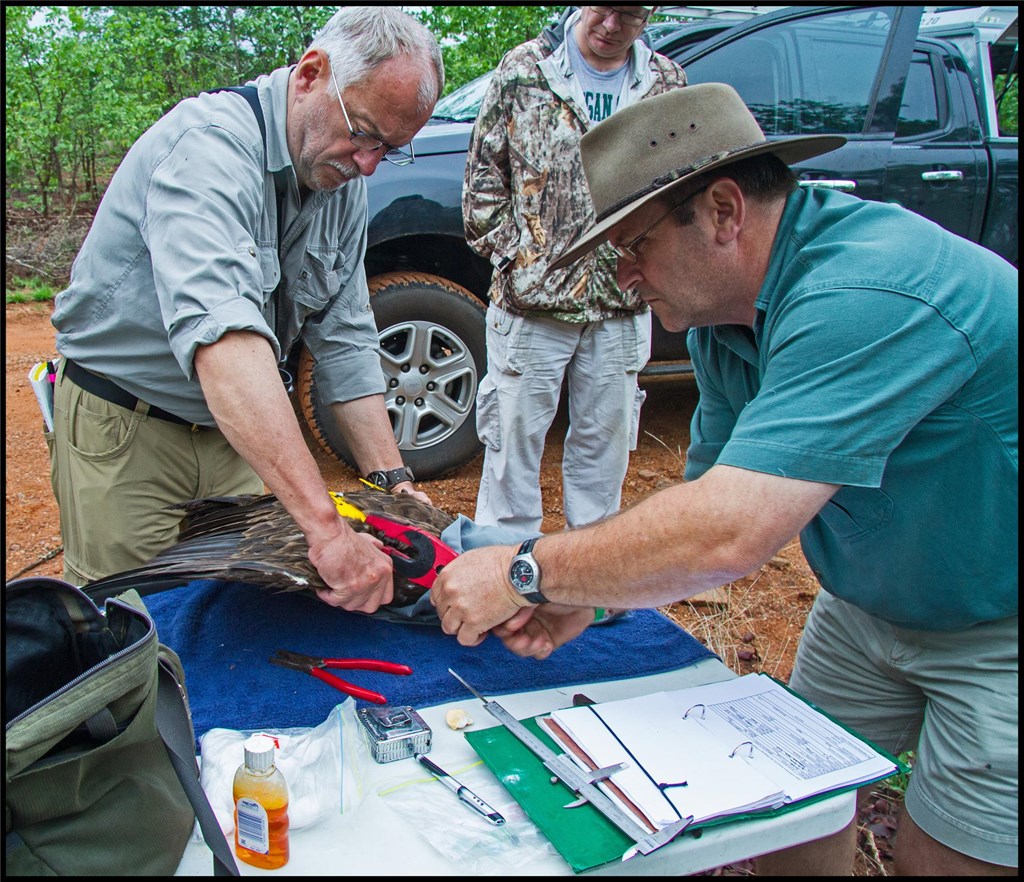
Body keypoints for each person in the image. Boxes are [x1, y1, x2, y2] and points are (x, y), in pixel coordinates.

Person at [432, 84, 1018, 875]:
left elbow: (726, 533)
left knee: (940, 862)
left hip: (1003, 625)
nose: (623, 278)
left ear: (722, 211)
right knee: (791, 819)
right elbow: (700, 501)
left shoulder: (865, 294)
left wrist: (525, 572)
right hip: (868, 607)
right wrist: (593, 592)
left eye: (632, 245)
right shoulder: (723, 314)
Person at [49, 7, 445, 614]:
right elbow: (225, 345)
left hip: (237, 437)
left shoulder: (340, 180)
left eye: (389, 150)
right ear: (312, 74)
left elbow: (347, 341)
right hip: (128, 432)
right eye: (364, 133)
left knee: (221, 618)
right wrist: (325, 527)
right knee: (129, 624)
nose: (368, 163)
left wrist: (392, 483)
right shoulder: (207, 148)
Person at [462, 5, 686, 533]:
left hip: (624, 302)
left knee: (603, 457)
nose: (611, 27)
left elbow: (682, 183)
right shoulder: (525, 69)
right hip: (531, 304)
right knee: (511, 450)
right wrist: (517, 258)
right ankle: (502, 572)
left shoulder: (666, 82)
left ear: (649, 14)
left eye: (629, 16)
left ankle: (587, 588)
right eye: (604, 10)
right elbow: (482, 177)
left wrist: (657, 267)